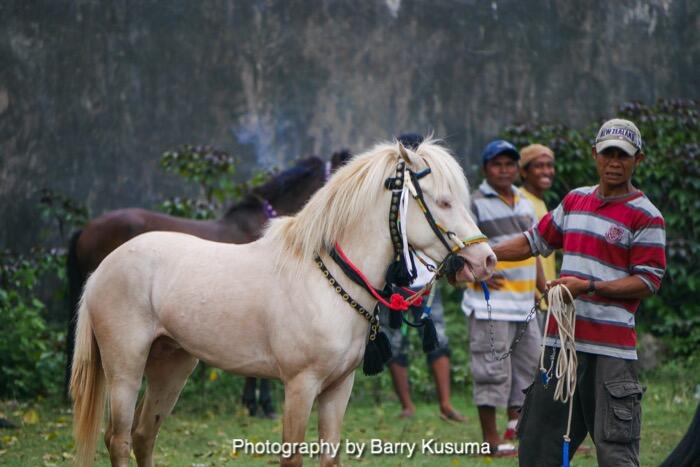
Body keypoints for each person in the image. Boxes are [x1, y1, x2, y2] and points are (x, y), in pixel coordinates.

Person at [492, 119, 666, 466]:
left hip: (611, 354)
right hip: (560, 347)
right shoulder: (575, 202)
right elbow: (533, 241)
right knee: (538, 448)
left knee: (616, 451)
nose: (614, 162)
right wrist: (486, 255)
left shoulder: (647, 216)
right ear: (595, 155)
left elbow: (648, 281)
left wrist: (587, 287)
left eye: (623, 156)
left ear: (638, 160)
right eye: (607, 154)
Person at [461, 139, 543, 455]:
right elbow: (460, 249)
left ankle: (515, 431)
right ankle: (490, 441)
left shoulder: (525, 201)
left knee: (529, 370)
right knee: (492, 373)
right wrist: (478, 273)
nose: (504, 170)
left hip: (524, 305)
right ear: (485, 169)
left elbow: (534, 249)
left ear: (517, 169)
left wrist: (542, 286)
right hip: (489, 306)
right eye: (498, 164)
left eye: (510, 164)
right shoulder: (475, 202)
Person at [379, 133, 466, 423]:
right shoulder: (389, 194)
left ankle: (445, 404)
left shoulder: (431, 189)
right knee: (394, 343)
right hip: (394, 283)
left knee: (437, 339)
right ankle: (407, 405)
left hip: (426, 280)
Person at [519, 144, 558, 324]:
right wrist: (538, 291)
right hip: (532, 298)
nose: (546, 171)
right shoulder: (520, 200)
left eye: (549, 165)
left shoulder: (540, 203)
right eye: (539, 166)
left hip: (545, 297)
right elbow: (522, 249)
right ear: (524, 172)